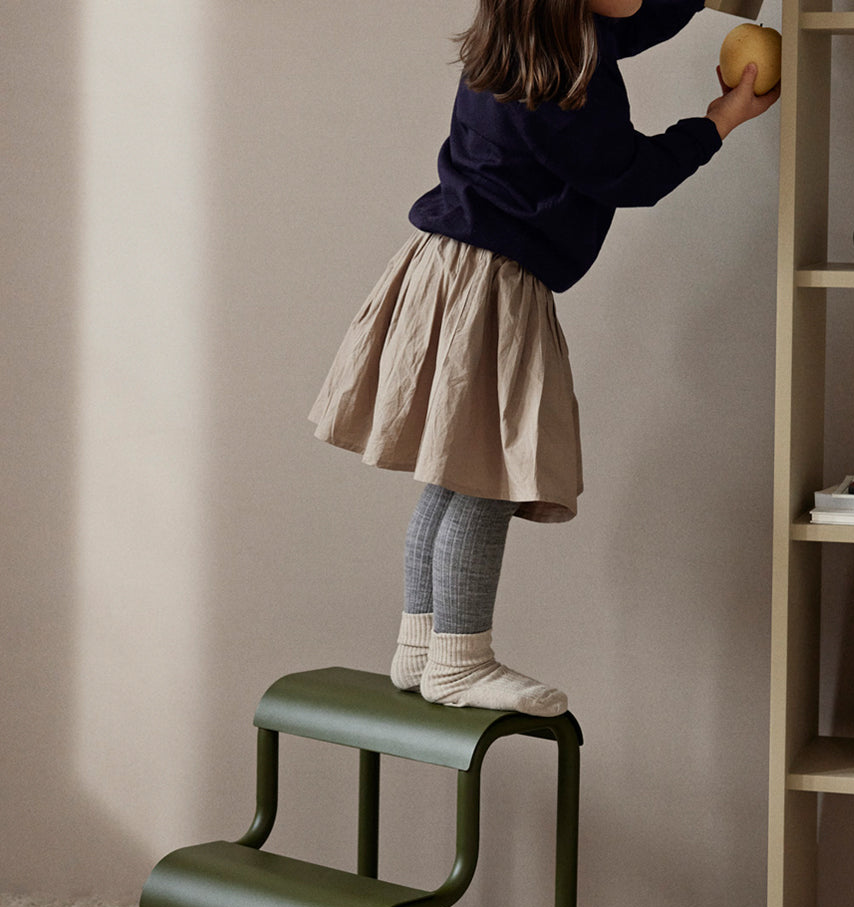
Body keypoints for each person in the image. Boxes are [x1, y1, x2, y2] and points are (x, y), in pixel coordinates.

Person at [308, 0, 779, 717]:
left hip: (450, 264)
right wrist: (719, 122)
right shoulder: (564, 87)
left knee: (453, 475)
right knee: (488, 473)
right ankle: (460, 662)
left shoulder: (526, 42)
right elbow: (631, 173)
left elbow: (632, 23)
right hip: (492, 283)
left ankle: (421, 645)